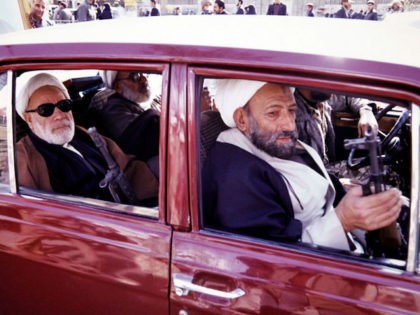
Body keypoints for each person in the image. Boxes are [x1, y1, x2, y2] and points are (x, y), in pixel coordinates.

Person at [202, 79, 401, 251]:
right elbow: (273, 259)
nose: (289, 124)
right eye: (273, 113)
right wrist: (343, 220)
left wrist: (352, 196)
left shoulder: (270, 141)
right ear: (242, 120)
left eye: (291, 111)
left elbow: (318, 178)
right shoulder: (236, 178)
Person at [16, 73, 158, 205]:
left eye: (64, 105)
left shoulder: (84, 135)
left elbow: (128, 168)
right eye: (45, 110)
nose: (59, 115)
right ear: (29, 118)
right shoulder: (23, 158)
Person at [88, 70, 160, 164]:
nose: (143, 79)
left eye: (144, 72)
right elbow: (148, 137)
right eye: (135, 76)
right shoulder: (113, 110)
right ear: (117, 86)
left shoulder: (139, 100)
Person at [294, 89, 378, 165]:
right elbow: (296, 167)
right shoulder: (293, 114)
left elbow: (347, 97)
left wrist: (366, 111)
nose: (332, 87)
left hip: (326, 170)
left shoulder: (322, 97)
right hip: (314, 177)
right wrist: (335, 181)